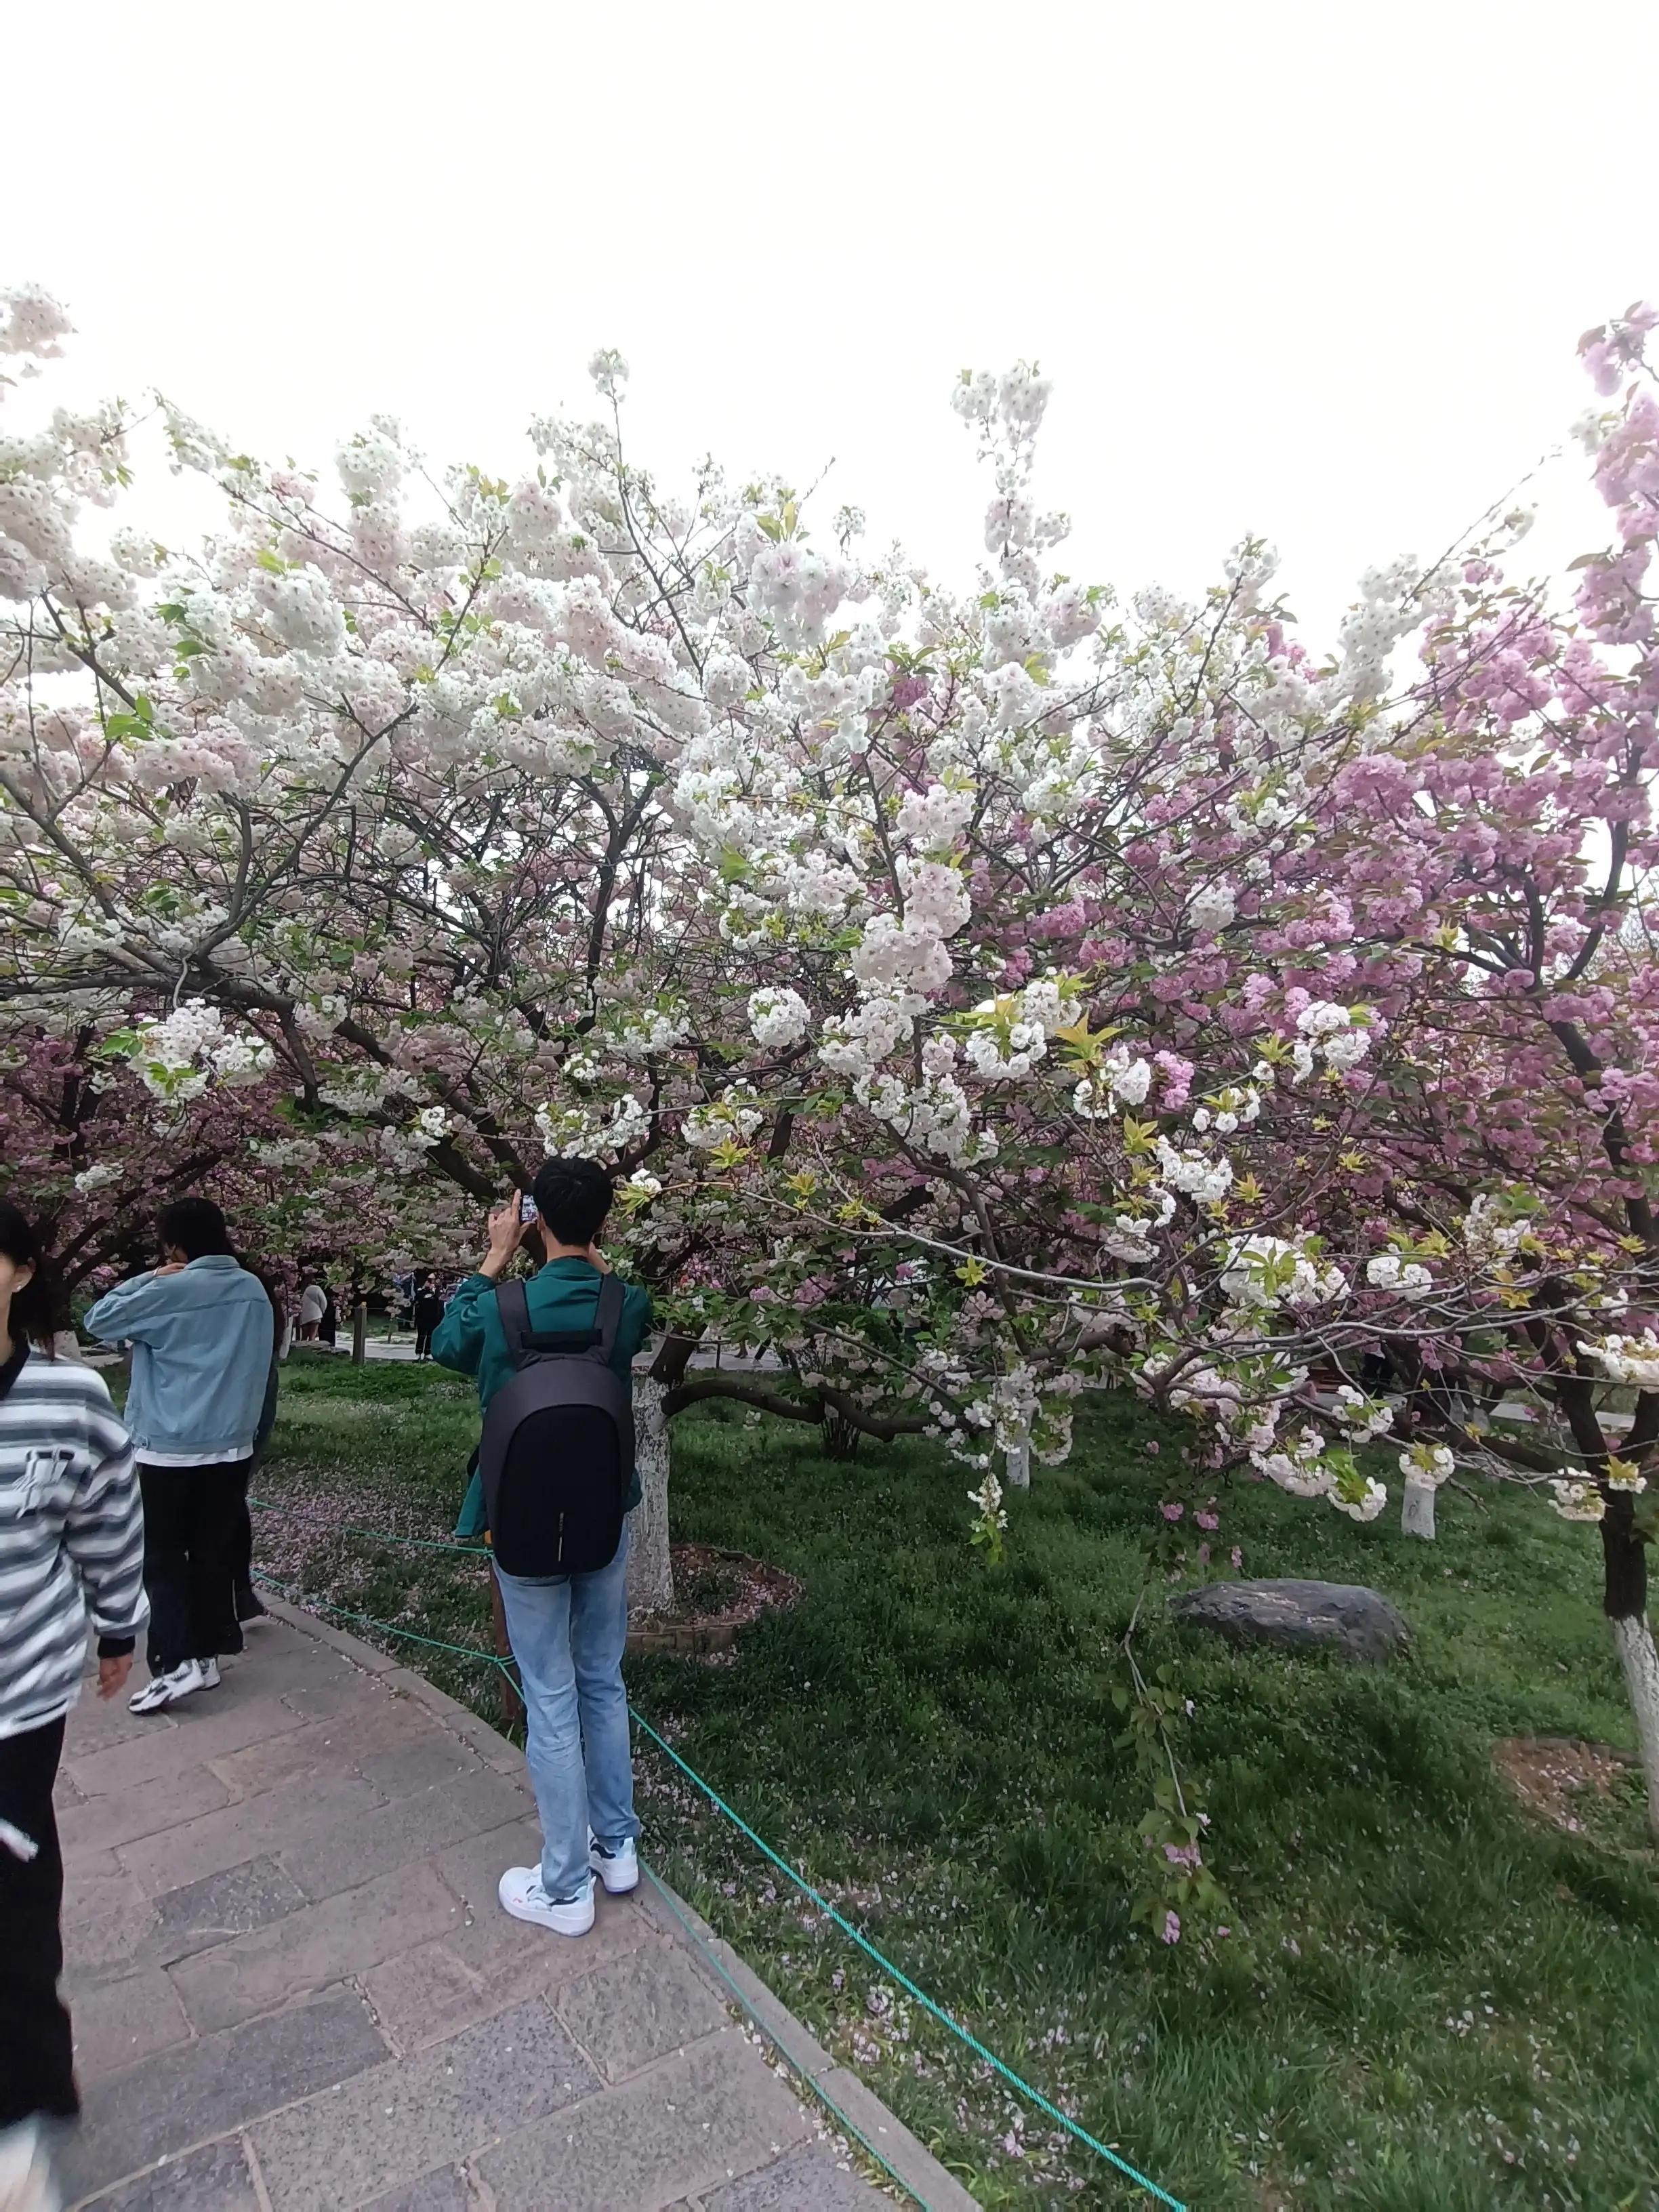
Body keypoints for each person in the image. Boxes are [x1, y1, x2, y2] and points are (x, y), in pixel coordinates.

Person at [432, 1157, 653, 1938]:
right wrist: (591, 1248)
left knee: (551, 1693)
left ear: (531, 1218)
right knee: (602, 1680)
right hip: (604, 1511)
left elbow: (446, 1346)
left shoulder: (500, 1307)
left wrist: (496, 1255)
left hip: (519, 1514)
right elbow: (625, 1303)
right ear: (603, 1222)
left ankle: (563, 1888)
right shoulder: (625, 1304)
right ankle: (614, 1847)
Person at [0, 1204, 146, 2212]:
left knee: (10, 1901)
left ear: (14, 1272)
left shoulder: (66, 1400)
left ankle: (23, 2109)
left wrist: (120, 1626)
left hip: (18, 1696)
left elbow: (107, 1517)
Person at [84, 1199, 273, 1715]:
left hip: (168, 1450)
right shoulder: (254, 1291)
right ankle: (208, 1657)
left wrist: (148, 1277)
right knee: (212, 1553)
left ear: (174, 1244)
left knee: (162, 1559)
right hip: (231, 1446)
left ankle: (174, 1662)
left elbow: (97, 1320)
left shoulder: (170, 1289)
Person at [412, 1274, 445, 1361]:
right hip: (422, 1316)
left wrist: (434, 1290)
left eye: (433, 1280)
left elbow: (439, 1299)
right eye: (429, 1280)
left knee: (430, 1335)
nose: (431, 1282)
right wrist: (425, 1289)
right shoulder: (421, 1290)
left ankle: (428, 1353)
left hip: (433, 1316)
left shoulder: (438, 1290)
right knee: (421, 1335)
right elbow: (418, 1298)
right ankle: (418, 1353)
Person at [298, 1277, 325, 1343]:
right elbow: (324, 1301)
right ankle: (310, 1349)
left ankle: (302, 1349)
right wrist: (322, 1311)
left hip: (305, 1316)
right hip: (316, 1315)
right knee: (312, 1336)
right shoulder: (318, 1289)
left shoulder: (304, 1291)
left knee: (304, 1336)